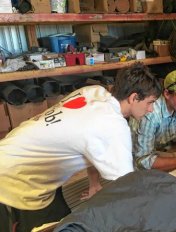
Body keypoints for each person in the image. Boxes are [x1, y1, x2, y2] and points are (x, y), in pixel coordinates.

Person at [0, 62, 162, 232]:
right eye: (150, 102)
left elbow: (91, 145)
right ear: (134, 97)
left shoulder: (94, 92)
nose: (151, 109)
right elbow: (126, 188)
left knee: (67, 221)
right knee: (60, 228)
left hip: (15, 154)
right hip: (16, 176)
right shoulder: (112, 125)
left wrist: (94, 184)